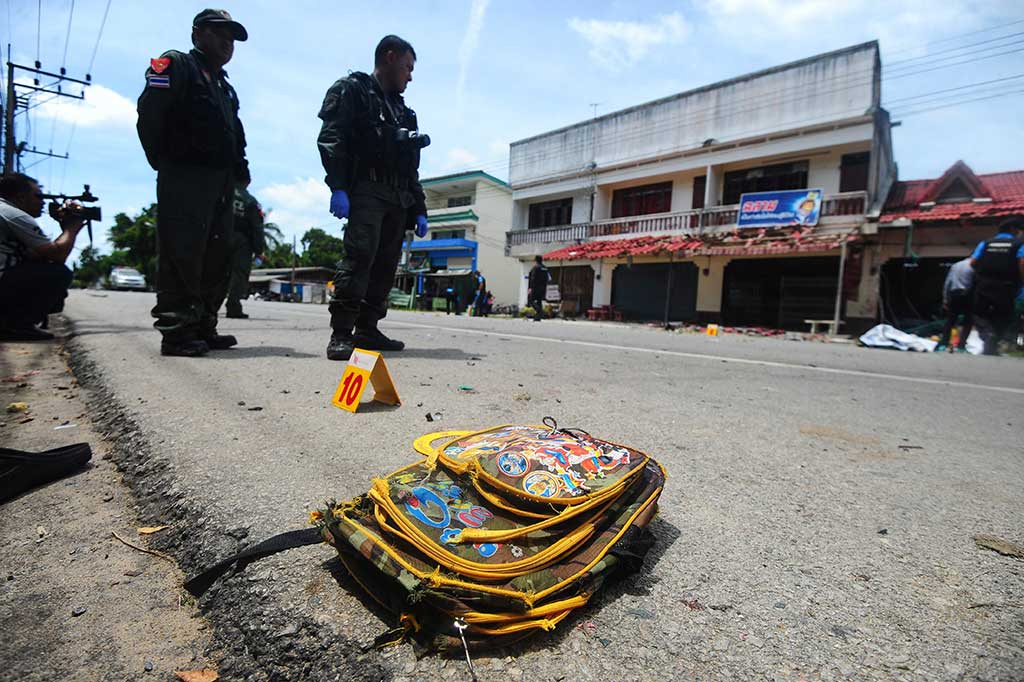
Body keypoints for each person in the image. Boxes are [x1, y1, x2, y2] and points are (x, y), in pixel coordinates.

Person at [136, 8, 250, 357]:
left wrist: (239, 170)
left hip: (220, 182)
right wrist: (167, 162)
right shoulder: (173, 64)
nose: (227, 43)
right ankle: (176, 332)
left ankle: (203, 325)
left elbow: (234, 134)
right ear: (197, 34)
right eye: (220, 34)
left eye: (232, 38)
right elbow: (149, 114)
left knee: (218, 254)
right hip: (184, 175)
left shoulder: (224, 87)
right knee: (181, 251)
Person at [317, 35, 428, 361]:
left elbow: (412, 169)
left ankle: (368, 328)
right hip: (367, 191)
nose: (410, 75)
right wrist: (338, 186)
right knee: (359, 259)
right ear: (390, 57)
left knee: (385, 267)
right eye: (408, 67)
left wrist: (419, 208)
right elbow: (332, 138)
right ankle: (341, 333)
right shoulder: (353, 91)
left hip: (398, 197)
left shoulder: (405, 113)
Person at [0, 173, 85, 341]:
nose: (43, 202)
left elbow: (38, 254)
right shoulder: (14, 214)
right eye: (39, 196)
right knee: (59, 273)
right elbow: (58, 255)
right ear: (20, 197)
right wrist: (71, 228)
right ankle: (16, 326)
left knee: (44, 267)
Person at [969, 217, 1024, 356]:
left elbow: (973, 262)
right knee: (1003, 316)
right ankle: (993, 340)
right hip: (1007, 286)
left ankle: (989, 337)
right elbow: (1022, 262)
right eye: (1018, 230)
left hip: (984, 285)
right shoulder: (1019, 244)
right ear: (1013, 229)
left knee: (980, 314)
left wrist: (982, 274)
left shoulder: (986, 243)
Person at [225, 169, 265, 319]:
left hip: (219, 236)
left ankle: (206, 307)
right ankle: (233, 305)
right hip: (241, 241)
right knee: (239, 274)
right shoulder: (250, 201)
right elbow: (257, 227)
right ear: (248, 182)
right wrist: (259, 249)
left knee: (215, 271)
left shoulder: (220, 192)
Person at [935, 257, 974, 353]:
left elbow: (948, 282)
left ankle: (943, 343)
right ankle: (961, 345)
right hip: (968, 294)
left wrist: (945, 299)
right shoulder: (975, 265)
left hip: (954, 294)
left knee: (950, 320)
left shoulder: (956, 265)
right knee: (968, 321)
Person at [527, 255, 550, 321]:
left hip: (535, 287)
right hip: (543, 288)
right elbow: (547, 278)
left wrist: (530, 288)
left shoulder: (536, 268)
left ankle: (539, 311)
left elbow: (533, 278)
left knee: (531, 301)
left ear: (536, 260)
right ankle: (538, 317)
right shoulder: (545, 268)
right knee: (539, 301)